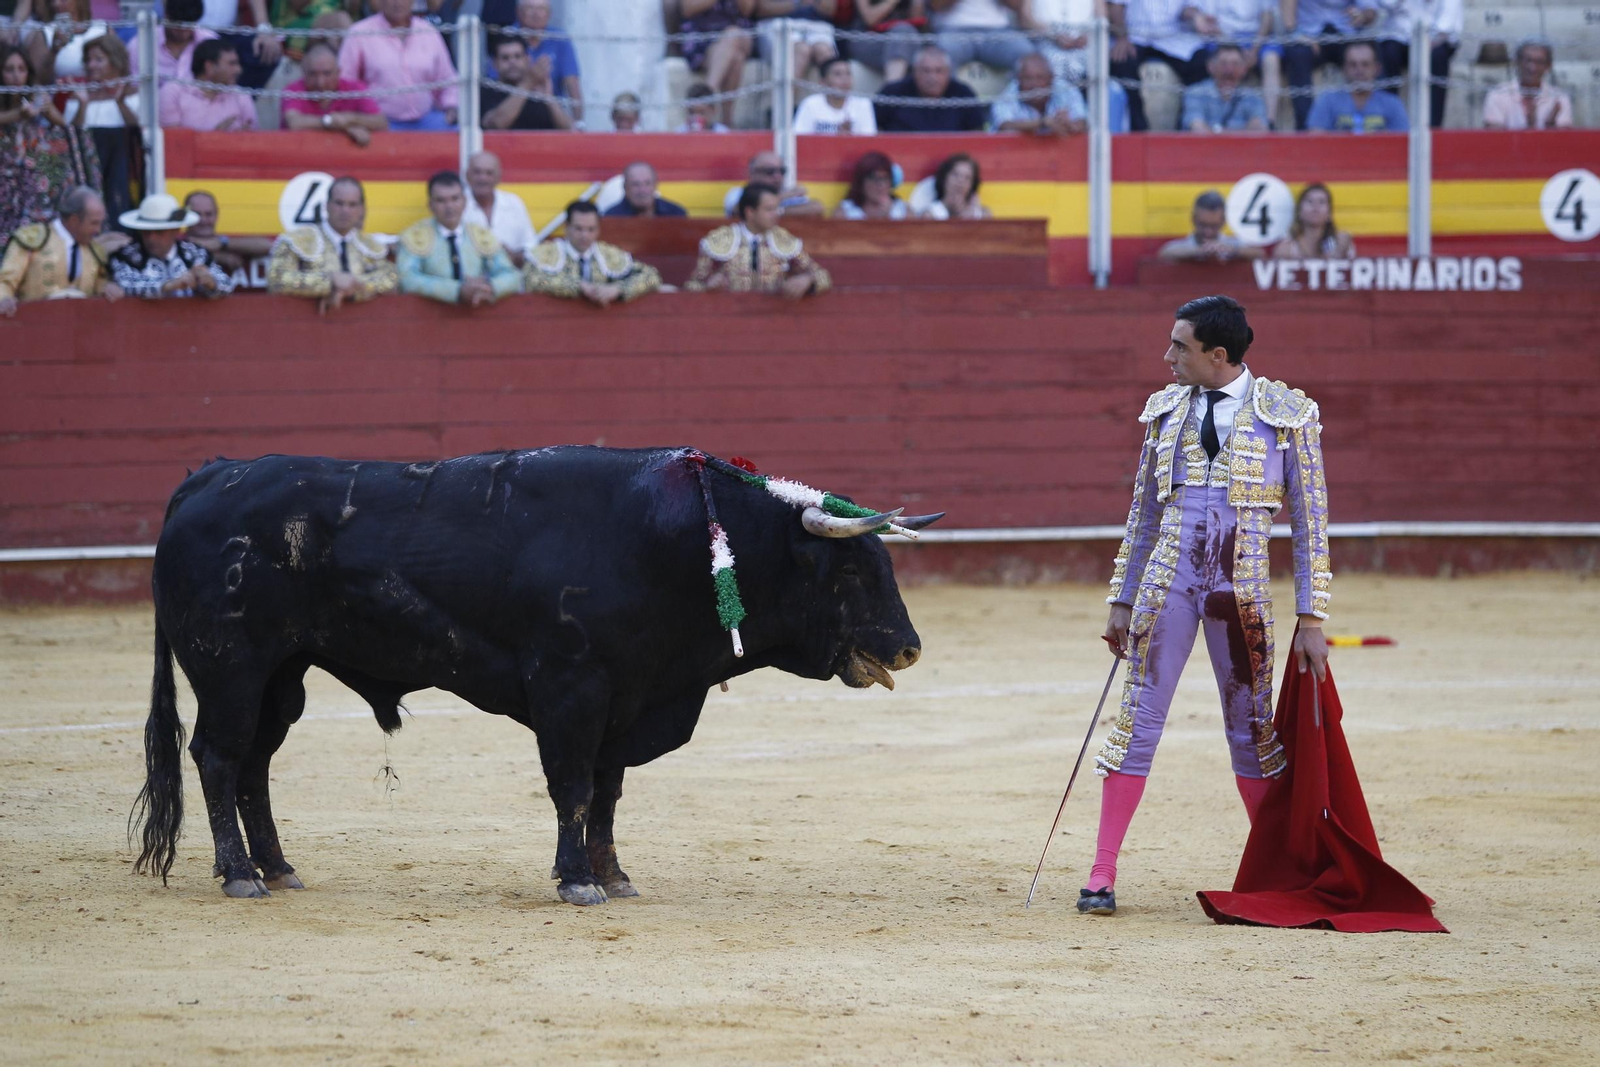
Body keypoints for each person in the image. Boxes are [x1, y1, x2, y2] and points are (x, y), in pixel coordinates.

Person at [1083, 294, 1330, 916]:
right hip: (1168, 582)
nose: (1167, 357)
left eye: (1179, 347)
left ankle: (1273, 872)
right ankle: (1101, 873)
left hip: (1241, 589)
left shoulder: (1287, 414)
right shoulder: (1164, 412)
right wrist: (1121, 599)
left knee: (1253, 733)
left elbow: (1310, 524)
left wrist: (1311, 616)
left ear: (1217, 355)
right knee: (1137, 722)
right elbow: (1142, 516)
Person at [1, 43, 100, 242]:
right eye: (9, 69)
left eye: (21, 69)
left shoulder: (37, 95)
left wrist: (81, 105)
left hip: (30, 173)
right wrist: (19, 114)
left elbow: (67, 131)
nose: (16, 76)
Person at [266, 175, 397, 311]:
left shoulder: (370, 245)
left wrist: (348, 287)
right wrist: (330, 281)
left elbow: (391, 276)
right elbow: (276, 279)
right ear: (326, 205)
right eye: (339, 203)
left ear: (361, 209)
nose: (345, 211)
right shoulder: (298, 239)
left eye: (352, 205)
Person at [397, 171, 521, 308]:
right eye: (441, 200)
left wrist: (489, 287)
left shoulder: (481, 235)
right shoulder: (415, 237)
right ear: (430, 205)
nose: (449, 207)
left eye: (455, 198)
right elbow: (407, 279)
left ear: (464, 201)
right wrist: (456, 290)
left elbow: (511, 275)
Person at [687, 182, 831, 298]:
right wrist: (707, 287)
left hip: (775, 318)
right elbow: (691, 285)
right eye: (769, 209)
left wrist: (808, 280)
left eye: (777, 209)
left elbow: (822, 275)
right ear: (750, 212)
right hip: (727, 321)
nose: (777, 214)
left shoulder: (784, 240)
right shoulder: (719, 240)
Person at [0, 185, 121, 316]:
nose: (98, 230)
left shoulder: (94, 250)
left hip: (82, 329)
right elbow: (5, 281)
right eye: (94, 223)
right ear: (74, 220)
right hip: (35, 326)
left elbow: (99, 284)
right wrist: (3, 299)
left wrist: (108, 288)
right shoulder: (33, 240)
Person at [340, 0, 458, 131]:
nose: (397, 3)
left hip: (427, 121)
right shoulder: (359, 33)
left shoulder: (428, 32)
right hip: (379, 125)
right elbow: (345, 82)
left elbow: (447, 79)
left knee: (461, 137)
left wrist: (451, 107)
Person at [524, 200, 662, 306]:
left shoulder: (609, 255)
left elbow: (651, 276)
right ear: (566, 227)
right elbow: (530, 279)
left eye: (591, 229)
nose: (585, 236)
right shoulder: (548, 253)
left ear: (598, 230)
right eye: (579, 229)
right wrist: (579, 286)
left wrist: (617, 289)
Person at [62, 34, 137, 220]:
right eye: (88, 60)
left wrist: (120, 102)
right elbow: (71, 138)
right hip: (87, 172)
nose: (91, 65)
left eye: (98, 59)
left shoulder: (132, 91)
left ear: (115, 60)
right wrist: (83, 105)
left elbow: (138, 131)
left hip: (122, 172)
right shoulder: (78, 95)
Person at [1108, 0, 1212, 131]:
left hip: (1171, 37)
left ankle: (1186, 126)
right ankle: (1138, 130)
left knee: (1201, 63)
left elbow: (1188, 8)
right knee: (1122, 62)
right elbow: (1116, 7)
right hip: (1135, 35)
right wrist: (1121, 38)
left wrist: (1197, 17)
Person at [109, 192, 235, 299]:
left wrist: (211, 282)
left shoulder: (195, 254)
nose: (151, 238)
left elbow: (227, 285)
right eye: (146, 232)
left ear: (176, 230)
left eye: (159, 232)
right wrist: (169, 285)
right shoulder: (125, 255)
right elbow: (125, 284)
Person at [1283, 0, 1380, 130]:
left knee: (1367, 56)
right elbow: (1288, 10)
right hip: (1308, 36)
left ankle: (1374, 122)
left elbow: (1370, 10)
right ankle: (1305, 129)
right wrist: (1297, 35)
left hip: (1346, 33)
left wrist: (1362, 16)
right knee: (1297, 54)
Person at [281, 40, 389, 146]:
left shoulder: (354, 88)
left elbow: (380, 122)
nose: (320, 82)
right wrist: (339, 125)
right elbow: (294, 123)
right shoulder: (293, 90)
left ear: (338, 72)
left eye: (327, 74)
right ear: (303, 72)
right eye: (312, 74)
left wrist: (348, 119)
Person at [1371, 0, 1457, 128]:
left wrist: (1427, 44)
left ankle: (1433, 128)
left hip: (1435, 40)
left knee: (1438, 58)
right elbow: (1386, 4)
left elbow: (1447, 24)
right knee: (1388, 53)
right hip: (1398, 35)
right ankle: (1386, 124)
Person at [1202, 0, 1282, 127]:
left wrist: (1255, 48)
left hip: (1256, 37)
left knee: (1271, 59)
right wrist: (1237, 49)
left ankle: (1269, 122)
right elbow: (1209, 21)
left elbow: (1267, 17)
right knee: (1220, 59)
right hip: (1223, 37)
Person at [678, 0, 755, 129]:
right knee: (737, 59)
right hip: (702, 38)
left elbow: (747, 10)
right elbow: (688, 8)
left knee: (733, 34)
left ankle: (707, 94)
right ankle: (726, 122)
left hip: (739, 37)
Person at [874, 43, 986, 132]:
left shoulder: (963, 94)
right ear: (915, 71)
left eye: (939, 71)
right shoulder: (892, 93)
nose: (932, 77)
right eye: (926, 70)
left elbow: (977, 132)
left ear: (948, 72)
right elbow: (873, 127)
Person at [1305, 40, 1408, 133]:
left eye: (1365, 64)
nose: (1359, 70)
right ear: (1344, 69)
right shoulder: (1327, 101)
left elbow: (1402, 143)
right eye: (1353, 64)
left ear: (1377, 69)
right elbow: (1315, 140)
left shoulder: (1393, 104)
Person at [158, 39, 259, 131]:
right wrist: (215, 138)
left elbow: (255, 140)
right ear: (209, 67)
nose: (238, 70)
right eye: (232, 64)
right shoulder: (173, 92)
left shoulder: (241, 95)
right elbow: (172, 143)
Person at [481, 33, 573, 130]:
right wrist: (527, 84)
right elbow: (496, 124)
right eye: (505, 58)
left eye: (517, 56)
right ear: (495, 64)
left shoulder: (539, 90)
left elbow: (569, 129)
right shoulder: (487, 89)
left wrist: (549, 98)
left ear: (528, 60)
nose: (512, 62)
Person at [461, 150, 536, 268]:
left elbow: (531, 247)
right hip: (470, 281)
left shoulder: (513, 203)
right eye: (477, 172)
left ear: (498, 177)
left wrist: (515, 256)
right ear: (467, 175)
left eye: (489, 173)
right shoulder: (455, 204)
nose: (483, 178)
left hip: (512, 279)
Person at [1482, 37, 1573, 131]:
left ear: (1548, 66)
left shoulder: (1559, 98)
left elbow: (1564, 141)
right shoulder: (1497, 94)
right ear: (1517, 62)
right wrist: (1529, 126)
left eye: (1539, 62)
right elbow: (1494, 139)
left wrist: (1550, 126)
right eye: (1528, 60)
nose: (1532, 68)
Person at [514, 0, 583, 124]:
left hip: (551, 111)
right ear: (519, 12)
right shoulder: (507, 35)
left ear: (549, 14)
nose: (536, 14)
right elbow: (494, 80)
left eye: (541, 9)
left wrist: (578, 122)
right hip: (513, 111)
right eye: (530, 8)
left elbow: (572, 83)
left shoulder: (560, 38)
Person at [991, 51, 1087, 134]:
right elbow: (1004, 126)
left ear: (1051, 78)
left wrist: (1070, 125)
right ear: (1018, 79)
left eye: (1040, 77)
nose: (1034, 84)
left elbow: (1083, 122)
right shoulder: (1008, 95)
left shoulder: (1066, 90)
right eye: (1027, 78)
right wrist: (1043, 123)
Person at [1180, 42, 1269, 132]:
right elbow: (1197, 129)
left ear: (1244, 68)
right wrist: (1240, 134)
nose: (1229, 70)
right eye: (1223, 63)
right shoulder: (1195, 93)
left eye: (1235, 64)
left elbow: (1259, 130)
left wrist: (1217, 132)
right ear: (1211, 66)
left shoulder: (1253, 97)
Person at [182, 190, 273, 275]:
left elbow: (267, 246)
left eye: (209, 214)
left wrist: (222, 244)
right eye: (197, 214)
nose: (203, 220)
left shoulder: (223, 241)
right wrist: (217, 257)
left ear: (217, 214)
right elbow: (180, 253)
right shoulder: (176, 243)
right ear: (186, 215)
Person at [1157, 190, 1264, 262]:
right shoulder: (1182, 246)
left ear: (1223, 222)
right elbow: (1164, 253)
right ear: (1193, 219)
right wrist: (1198, 251)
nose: (1208, 232)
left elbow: (1259, 253)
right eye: (1202, 225)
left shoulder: (1232, 245)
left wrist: (1233, 251)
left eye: (1214, 226)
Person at [930, 0, 1033, 72]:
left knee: (1030, 59)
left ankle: (1008, 103)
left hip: (997, 30)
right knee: (937, 60)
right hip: (953, 30)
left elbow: (1015, 4)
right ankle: (948, 102)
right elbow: (936, 5)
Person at [721, 150, 824, 217]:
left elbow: (816, 208)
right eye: (770, 171)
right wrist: (783, 197)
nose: (777, 177)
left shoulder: (789, 194)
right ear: (752, 173)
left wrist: (777, 212)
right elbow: (737, 211)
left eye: (782, 171)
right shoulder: (737, 193)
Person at [793, 55, 878, 134]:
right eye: (838, 74)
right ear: (823, 82)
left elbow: (869, 142)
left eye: (848, 73)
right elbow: (799, 139)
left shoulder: (863, 105)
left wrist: (850, 138)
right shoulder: (810, 105)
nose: (845, 79)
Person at [1272, 182, 1355, 259]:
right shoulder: (1287, 248)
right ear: (1299, 212)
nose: (1316, 206)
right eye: (1310, 201)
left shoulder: (1340, 242)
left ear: (1329, 213)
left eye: (1321, 202)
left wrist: (1339, 252)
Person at [849, 0, 926, 82]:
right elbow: (870, 19)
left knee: (906, 34)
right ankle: (891, 89)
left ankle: (891, 90)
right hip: (867, 39)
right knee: (901, 34)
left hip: (902, 39)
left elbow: (916, 17)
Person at [833, 150, 909, 220]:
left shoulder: (904, 212)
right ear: (861, 181)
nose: (881, 184)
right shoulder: (844, 213)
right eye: (874, 178)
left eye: (885, 178)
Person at [920, 152, 992, 219]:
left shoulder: (983, 216)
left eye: (967, 178)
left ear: (972, 184)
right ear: (944, 178)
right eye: (955, 175)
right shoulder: (930, 215)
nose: (960, 181)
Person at [603, 161, 688, 218]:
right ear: (625, 188)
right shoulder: (611, 217)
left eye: (647, 183)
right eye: (635, 184)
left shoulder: (676, 214)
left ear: (655, 185)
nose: (642, 190)